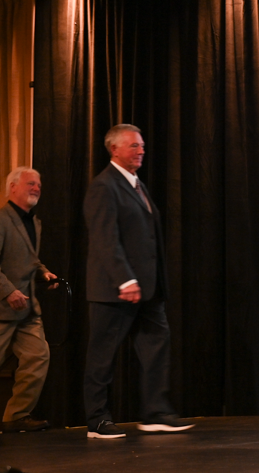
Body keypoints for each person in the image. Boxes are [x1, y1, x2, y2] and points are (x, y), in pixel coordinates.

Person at [82, 124, 193, 438]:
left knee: (157, 347)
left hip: (148, 290)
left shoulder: (136, 185)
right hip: (115, 290)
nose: (141, 151)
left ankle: (156, 413)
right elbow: (105, 238)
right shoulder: (104, 186)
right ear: (114, 149)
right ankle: (97, 420)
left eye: (142, 145)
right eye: (134, 146)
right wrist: (125, 279)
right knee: (103, 356)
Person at [0, 166, 58, 433]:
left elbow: (30, 260)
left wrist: (43, 272)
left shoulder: (34, 222)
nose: (37, 188)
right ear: (13, 187)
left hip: (27, 310)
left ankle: (16, 416)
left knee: (38, 357)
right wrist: (8, 291)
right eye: (30, 183)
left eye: (39, 185)